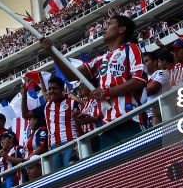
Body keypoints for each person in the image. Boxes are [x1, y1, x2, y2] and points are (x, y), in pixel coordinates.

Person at [41, 14, 147, 149]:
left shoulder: (131, 48)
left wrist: (106, 92)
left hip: (129, 120)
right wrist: (52, 53)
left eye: (109, 24)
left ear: (121, 29)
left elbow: (139, 80)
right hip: (105, 127)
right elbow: (71, 75)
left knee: (138, 165)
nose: (104, 28)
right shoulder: (100, 59)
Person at [25, 76, 77, 169]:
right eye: (50, 89)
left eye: (55, 88)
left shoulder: (72, 103)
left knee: (71, 173)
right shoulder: (46, 106)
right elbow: (25, 114)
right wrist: (24, 94)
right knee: (60, 179)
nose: (51, 91)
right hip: (53, 148)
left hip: (70, 143)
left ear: (61, 89)